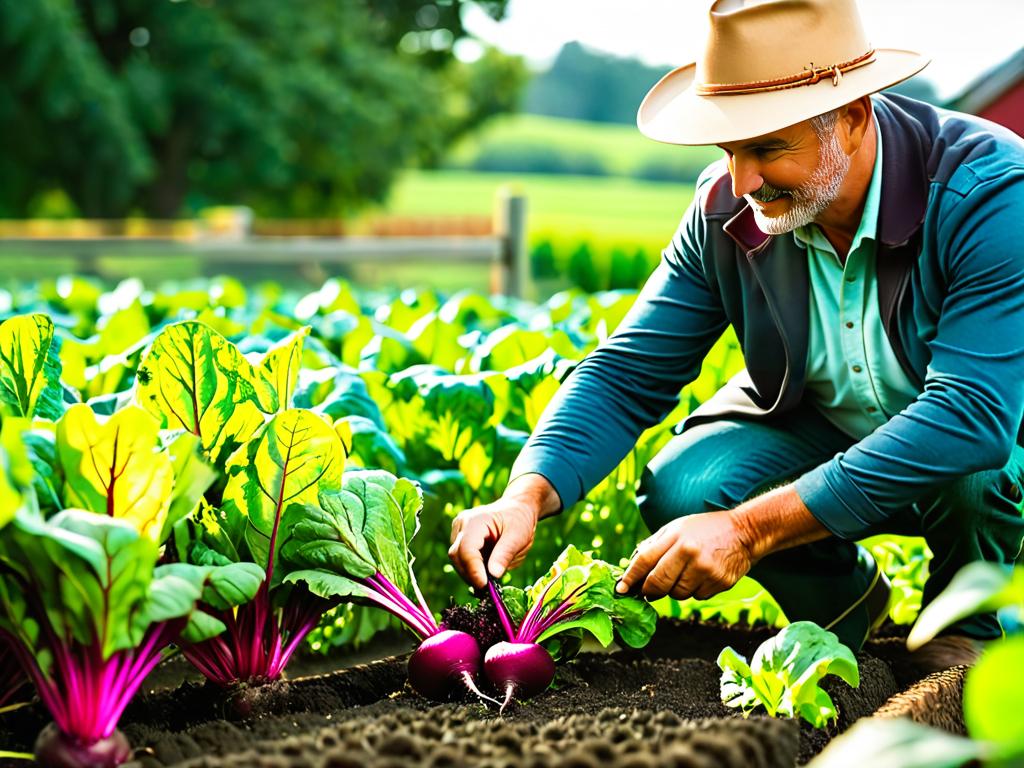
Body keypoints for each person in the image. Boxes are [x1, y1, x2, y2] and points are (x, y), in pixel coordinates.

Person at [448, 0, 1024, 669]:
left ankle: (970, 620)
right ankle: (842, 605)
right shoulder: (725, 206)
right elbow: (627, 373)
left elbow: (972, 416)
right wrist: (526, 493)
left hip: (988, 447)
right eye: (727, 149)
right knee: (687, 485)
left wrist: (748, 531)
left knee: (978, 471)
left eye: (766, 148)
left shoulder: (987, 192)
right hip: (831, 430)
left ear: (853, 118)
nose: (740, 180)